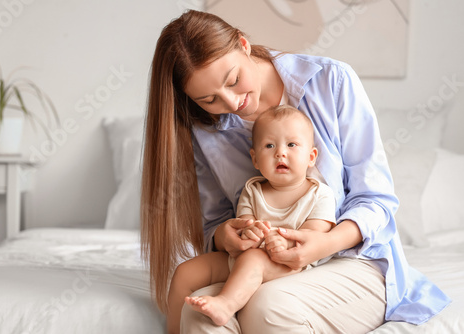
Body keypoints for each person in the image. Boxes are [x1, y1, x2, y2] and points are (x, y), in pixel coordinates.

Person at [141, 9, 451, 333]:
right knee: (198, 315)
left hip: (352, 259)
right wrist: (227, 236)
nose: (232, 103)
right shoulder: (206, 130)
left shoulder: (331, 81)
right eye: (209, 100)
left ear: (244, 45)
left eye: (233, 81)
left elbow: (376, 200)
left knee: (269, 306)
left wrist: (322, 244)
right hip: (260, 261)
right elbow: (215, 222)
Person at [167, 105, 336, 333]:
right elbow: (244, 225)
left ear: (311, 157)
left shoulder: (320, 194)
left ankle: (226, 304)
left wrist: (285, 243)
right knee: (184, 272)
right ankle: (172, 330)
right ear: (255, 159)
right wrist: (248, 232)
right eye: (269, 146)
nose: (280, 153)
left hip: (290, 266)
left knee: (254, 259)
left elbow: (314, 236)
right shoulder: (252, 190)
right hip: (246, 258)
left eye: (292, 144)